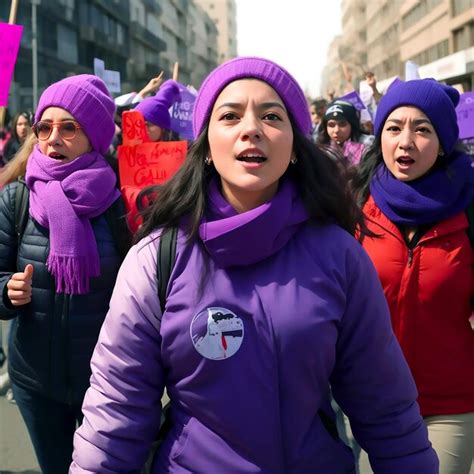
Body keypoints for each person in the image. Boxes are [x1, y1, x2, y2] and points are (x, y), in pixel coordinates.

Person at [71, 57, 438, 473]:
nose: (251, 129)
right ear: (206, 146)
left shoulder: (340, 255)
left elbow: (385, 406)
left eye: (271, 116)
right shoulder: (157, 258)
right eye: (230, 116)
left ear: (296, 148)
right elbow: (115, 412)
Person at [0, 74, 131, 473]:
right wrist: (7, 290)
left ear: (94, 136)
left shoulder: (121, 203)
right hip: (35, 382)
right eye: (45, 126)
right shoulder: (16, 197)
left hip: (107, 385)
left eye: (69, 127)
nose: (53, 137)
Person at [353, 78, 474, 474]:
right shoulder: (355, 206)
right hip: (374, 401)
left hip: (452, 401)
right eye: (394, 127)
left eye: (422, 129)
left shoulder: (468, 207)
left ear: (442, 143)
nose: (405, 141)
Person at [318, 99, 374, 165]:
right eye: (331, 125)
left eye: (342, 124)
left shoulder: (367, 145)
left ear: (352, 125)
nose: (336, 130)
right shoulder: (322, 150)